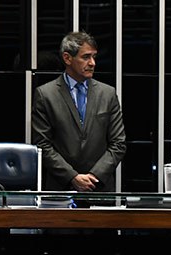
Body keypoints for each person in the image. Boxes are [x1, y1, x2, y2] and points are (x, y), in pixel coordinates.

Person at [32, 31, 125, 192]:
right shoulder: (45, 94)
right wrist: (72, 177)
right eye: (86, 57)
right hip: (61, 189)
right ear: (67, 58)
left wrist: (93, 176)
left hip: (99, 188)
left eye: (94, 57)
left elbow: (118, 143)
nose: (93, 63)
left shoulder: (107, 93)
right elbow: (42, 145)